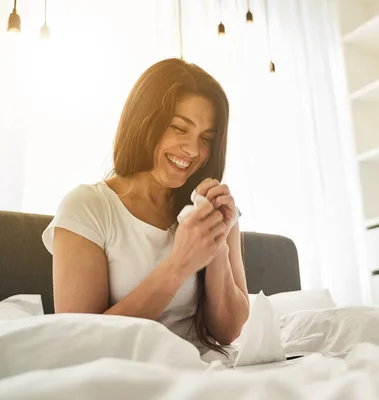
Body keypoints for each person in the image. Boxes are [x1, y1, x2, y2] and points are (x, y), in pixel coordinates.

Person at [42, 58, 250, 355]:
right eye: (179, 128)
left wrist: (216, 244)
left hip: (202, 371)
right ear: (144, 120)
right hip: (121, 375)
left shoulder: (213, 207)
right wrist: (179, 264)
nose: (193, 151)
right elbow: (81, 341)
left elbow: (228, 331)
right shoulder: (87, 207)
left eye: (206, 139)